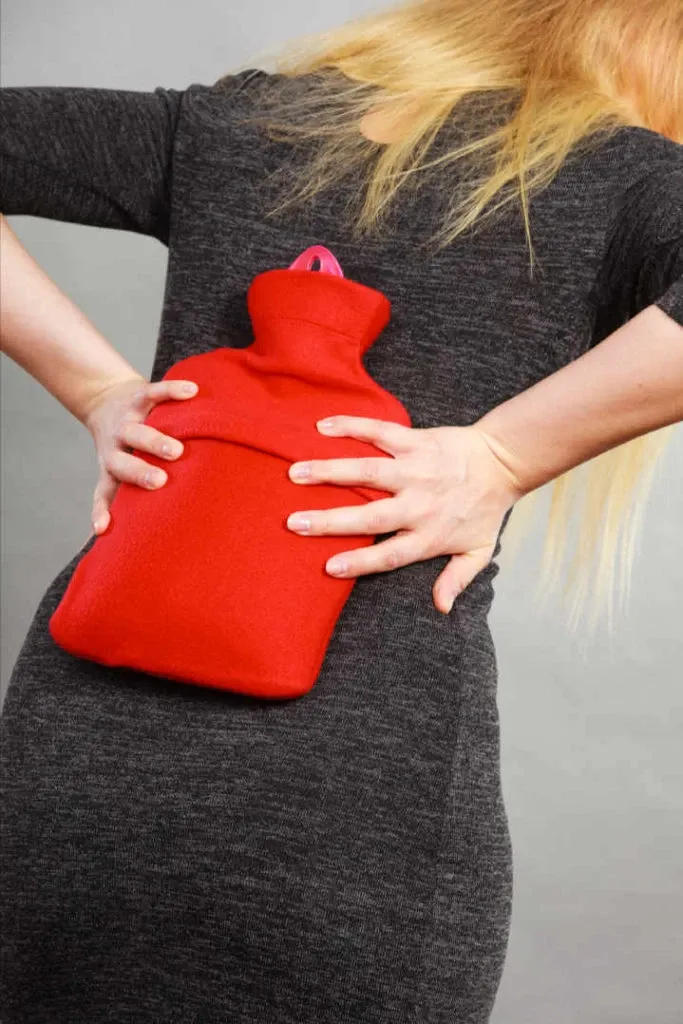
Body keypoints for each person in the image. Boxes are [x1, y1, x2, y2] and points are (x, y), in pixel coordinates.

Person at [1, 0, 682, 1020]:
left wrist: (98, 388)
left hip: (75, 758)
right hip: (349, 800)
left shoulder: (241, 122)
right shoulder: (617, 175)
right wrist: (501, 451)